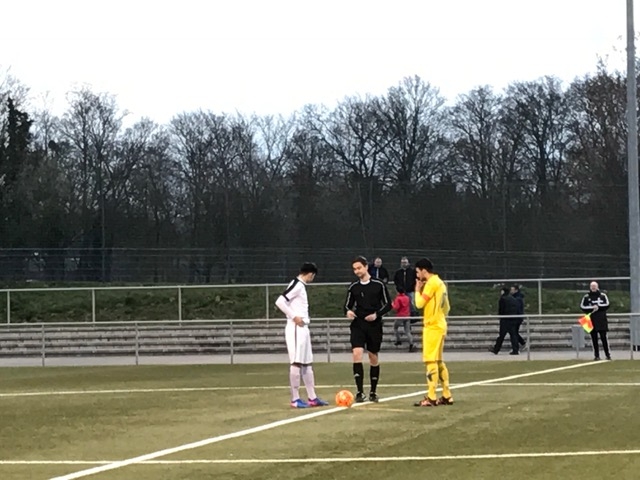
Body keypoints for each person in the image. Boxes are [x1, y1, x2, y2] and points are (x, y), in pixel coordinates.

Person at [275, 262, 329, 408]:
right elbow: (280, 301)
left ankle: (312, 397)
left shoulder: (301, 286)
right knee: (296, 362)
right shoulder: (297, 284)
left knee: (307, 362)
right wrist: (294, 316)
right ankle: (295, 398)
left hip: (303, 327)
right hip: (295, 328)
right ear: (311, 274)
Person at [345, 256, 392, 403]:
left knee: (373, 356)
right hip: (358, 324)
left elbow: (388, 304)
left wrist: (376, 315)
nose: (357, 271)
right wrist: (348, 312)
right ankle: (359, 392)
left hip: (374, 325)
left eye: (359, 268)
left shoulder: (379, 285)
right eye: (354, 269)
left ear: (366, 267)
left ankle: (373, 392)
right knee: (357, 353)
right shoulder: (353, 287)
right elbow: (347, 305)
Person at [413, 258, 453, 407]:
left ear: (424, 270)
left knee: (430, 360)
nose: (417, 276)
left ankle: (431, 397)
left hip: (432, 326)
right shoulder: (440, 283)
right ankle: (447, 395)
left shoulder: (431, 284)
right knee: (439, 360)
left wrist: (417, 290)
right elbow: (447, 307)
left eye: (418, 272)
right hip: (440, 324)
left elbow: (419, 304)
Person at [580, 281, 611, 361]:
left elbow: (607, 305)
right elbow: (582, 307)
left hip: (601, 320)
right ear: (590, 287)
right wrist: (592, 308)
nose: (593, 287)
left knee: (604, 338)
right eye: (592, 286)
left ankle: (607, 355)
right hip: (591, 320)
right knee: (594, 338)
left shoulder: (603, 295)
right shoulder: (586, 297)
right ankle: (596, 355)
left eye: (595, 286)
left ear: (597, 287)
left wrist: (598, 307)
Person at [489, 286, 521, 355]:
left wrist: (500, 316)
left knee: (501, 335)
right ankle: (515, 350)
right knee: (513, 335)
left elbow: (501, 309)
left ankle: (496, 349)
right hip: (513, 319)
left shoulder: (503, 299)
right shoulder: (513, 299)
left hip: (505, 319)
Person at [391, 286, 415, 352]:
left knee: (395, 328)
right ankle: (411, 343)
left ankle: (398, 340)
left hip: (400, 316)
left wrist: (392, 304)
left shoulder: (398, 298)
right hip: (407, 315)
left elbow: (396, 307)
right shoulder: (407, 297)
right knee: (407, 331)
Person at [510, 284, 527, 349]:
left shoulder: (517, 298)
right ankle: (521, 343)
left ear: (516, 290)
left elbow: (517, 308)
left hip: (517, 318)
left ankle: (519, 344)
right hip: (517, 317)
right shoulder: (516, 297)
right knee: (514, 332)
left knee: (514, 332)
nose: (511, 291)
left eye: (512, 290)